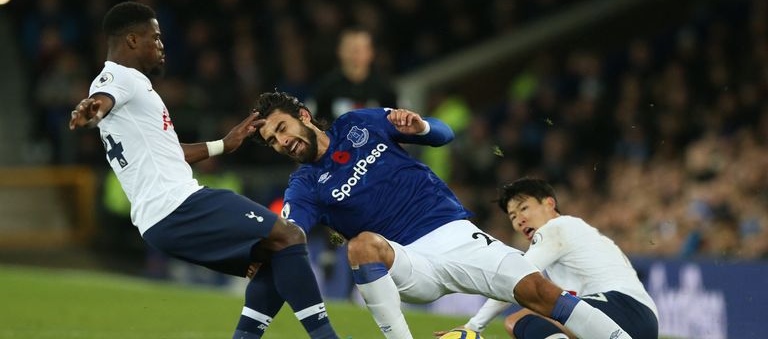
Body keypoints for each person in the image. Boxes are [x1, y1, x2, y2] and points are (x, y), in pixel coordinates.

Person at [251, 91, 633, 339]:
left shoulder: (359, 125)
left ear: (303, 115)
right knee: (362, 247)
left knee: (542, 293)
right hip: (409, 262)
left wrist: (421, 125)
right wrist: (254, 251)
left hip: (455, 233)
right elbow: (290, 232)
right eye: (272, 141)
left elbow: (443, 134)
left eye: (282, 128)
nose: (282, 142)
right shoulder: (304, 185)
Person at [68, 2, 339, 339]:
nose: (161, 45)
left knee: (275, 254)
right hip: (179, 205)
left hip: (160, 220)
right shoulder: (119, 79)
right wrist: (90, 109)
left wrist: (223, 145)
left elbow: (169, 153)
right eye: (156, 37)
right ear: (133, 40)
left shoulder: (133, 87)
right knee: (291, 236)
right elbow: (101, 99)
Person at [455, 178, 659, 339]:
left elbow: (515, 278)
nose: (520, 220)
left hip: (623, 308)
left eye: (524, 208)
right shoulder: (574, 234)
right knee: (550, 311)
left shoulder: (557, 228)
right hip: (642, 320)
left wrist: (473, 326)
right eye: (513, 216)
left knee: (520, 320)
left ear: (549, 204)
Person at [310, 28, 398, 122]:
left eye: (360, 49)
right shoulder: (325, 87)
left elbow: (399, 125)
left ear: (371, 53)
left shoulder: (385, 88)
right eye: (349, 48)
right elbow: (310, 121)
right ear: (339, 51)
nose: (354, 55)